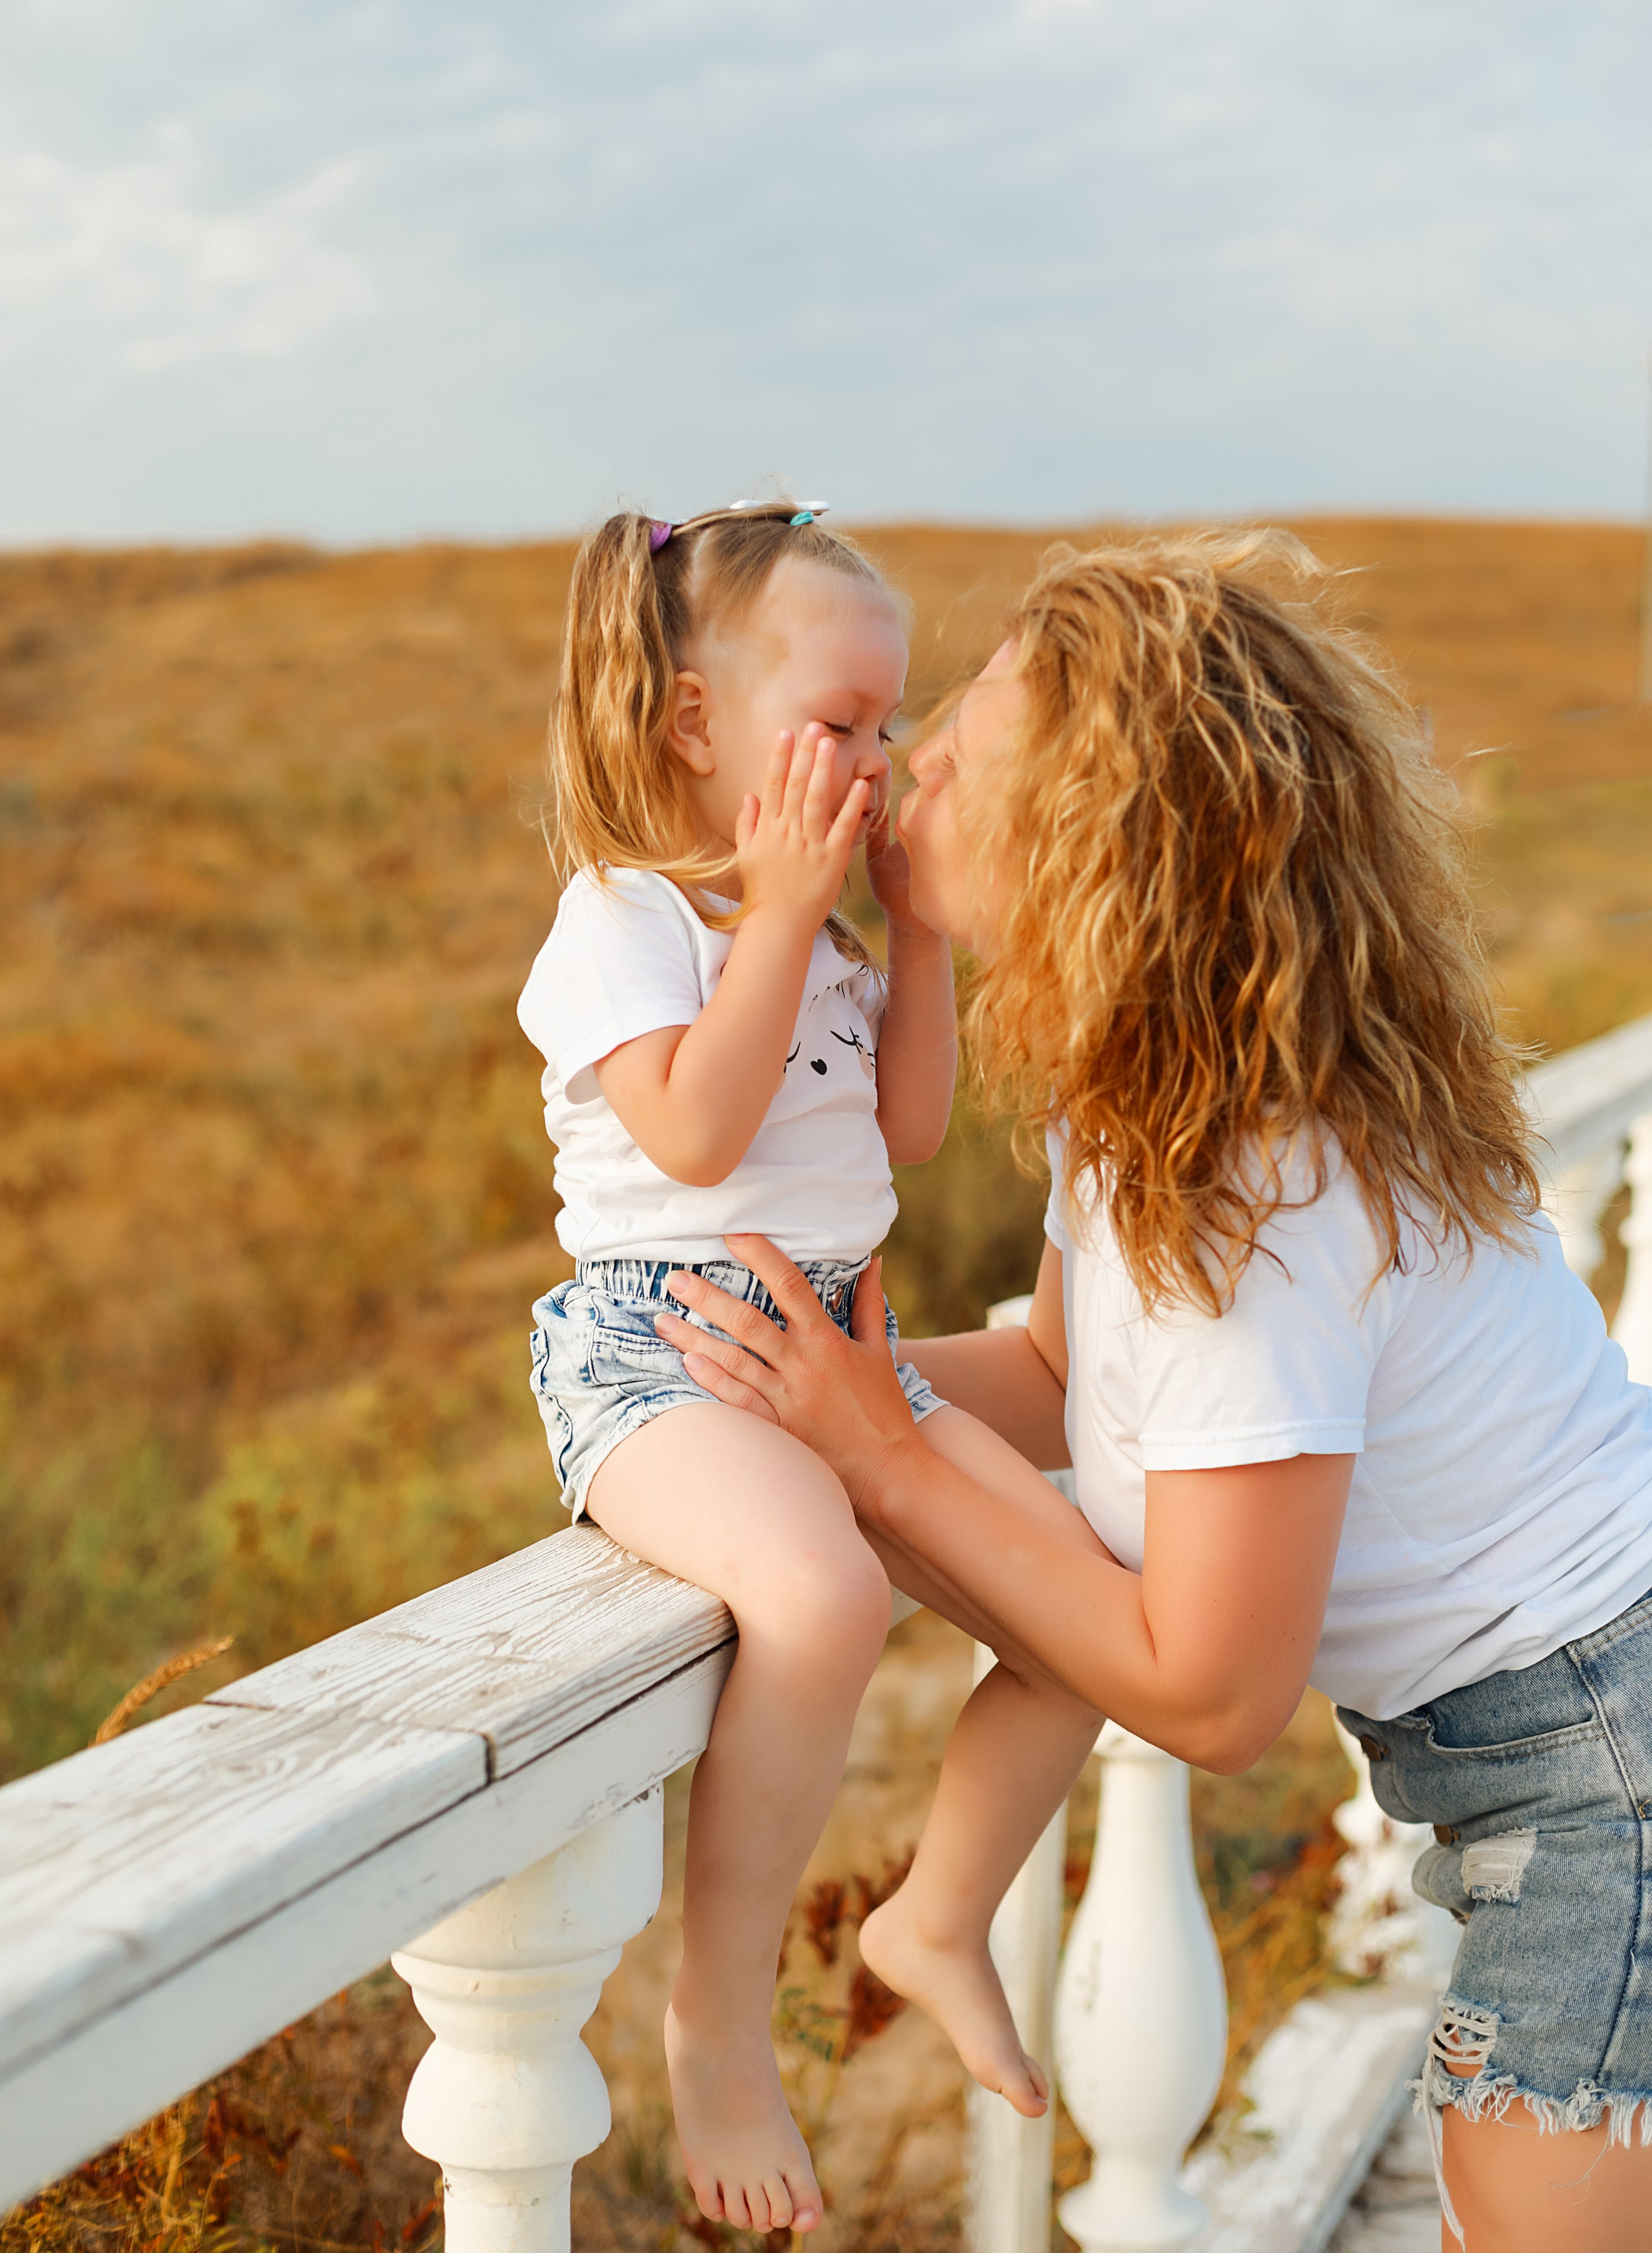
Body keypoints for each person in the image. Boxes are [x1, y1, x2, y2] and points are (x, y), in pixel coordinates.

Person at [654, 529, 1652, 2253]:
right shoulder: (1151, 1108)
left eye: (960, 760)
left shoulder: (1249, 1188)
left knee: (1532, 2205)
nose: (903, 770)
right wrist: (788, 1389)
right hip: (1550, 1743)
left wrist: (882, 1452)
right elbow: (1060, 1374)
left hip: (1605, 1762)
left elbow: (1208, 1693)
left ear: (1097, 853)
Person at [518, 501, 1105, 2238]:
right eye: (836, 723)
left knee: (1092, 1616)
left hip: (836, 1347)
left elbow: (909, 1129)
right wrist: (778, 913)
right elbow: (695, 1133)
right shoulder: (623, 916)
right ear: (697, 721)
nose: (873, 759)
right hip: (669, 1356)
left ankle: (934, 1911)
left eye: (888, 721)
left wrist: (907, 930)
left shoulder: (834, 949)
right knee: (823, 1597)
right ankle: (718, 2013)